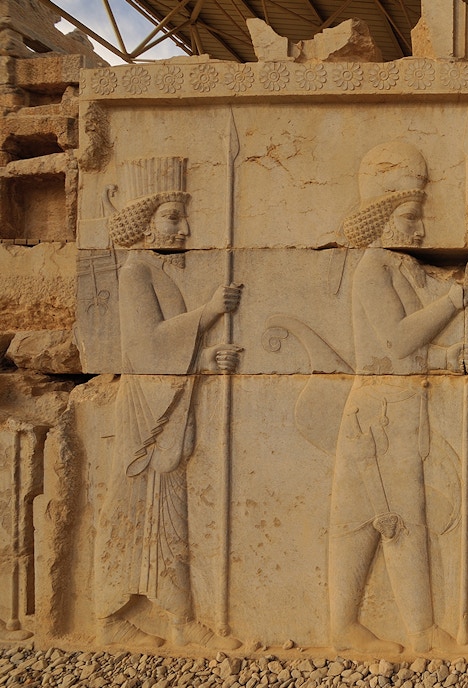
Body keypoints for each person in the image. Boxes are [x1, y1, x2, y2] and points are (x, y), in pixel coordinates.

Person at [330, 141, 468, 654]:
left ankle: (404, 628)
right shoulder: (374, 268)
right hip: (377, 414)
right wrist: (452, 302)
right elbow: (396, 341)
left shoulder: (401, 268)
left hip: (398, 406)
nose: (420, 230)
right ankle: (396, 629)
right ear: (384, 216)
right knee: (377, 520)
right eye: (412, 217)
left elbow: (406, 352)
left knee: (388, 518)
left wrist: (448, 358)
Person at [96, 156, 242, 649]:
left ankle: (178, 617)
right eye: (173, 217)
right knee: (131, 511)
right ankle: (108, 614)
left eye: (182, 217)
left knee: (168, 513)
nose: (184, 228)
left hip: (167, 406)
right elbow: (147, 349)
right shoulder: (136, 270)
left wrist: (207, 358)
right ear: (146, 221)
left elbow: (170, 351)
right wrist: (208, 313)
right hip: (148, 414)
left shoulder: (154, 269)